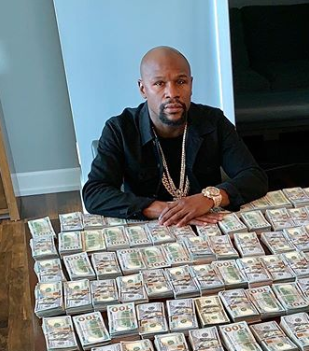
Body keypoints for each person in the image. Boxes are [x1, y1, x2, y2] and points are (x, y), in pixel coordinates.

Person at [83, 46, 267, 226]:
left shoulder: (213, 121)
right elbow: (94, 193)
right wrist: (168, 210)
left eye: (180, 82)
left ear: (191, 84)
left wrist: (209, 199)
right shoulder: (120, 129)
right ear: (143, 89)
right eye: (159, 83)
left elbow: (254, 177)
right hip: (151, 227)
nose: (172, 93)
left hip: (209, 224)